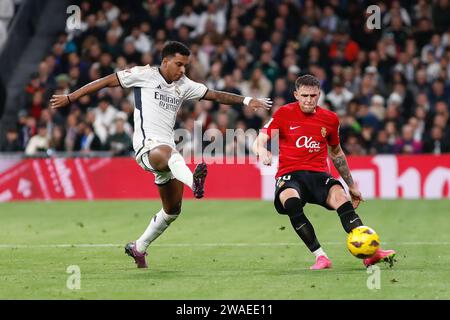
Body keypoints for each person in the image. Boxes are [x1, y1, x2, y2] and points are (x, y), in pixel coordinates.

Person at [50, 41, 271, 268]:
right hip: (147, 148)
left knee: (172, 210)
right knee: (171, 153)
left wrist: (246, 100)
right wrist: (71, 97)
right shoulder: (144, 75)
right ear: (165, 62)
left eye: (185, 65)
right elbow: (107, 81)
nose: (183, 70)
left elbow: (213, 95)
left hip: (166, 154)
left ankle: (139, 247)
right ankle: (193, 182)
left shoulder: (183, 84)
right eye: (178, 64)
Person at [252, 74, 395, 270]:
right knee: (290, 200)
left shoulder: (330, 119)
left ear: (319, 94)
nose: (309, 100)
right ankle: (320, 257)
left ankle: (371, 253)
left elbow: (336, 154)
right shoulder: (283, 114)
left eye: (313, 95)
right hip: (291, 174)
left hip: (319, 175)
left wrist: (351, 186)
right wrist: (262, 151)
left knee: (341, 198)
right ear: (296, 94)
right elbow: (258, 140)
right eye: (304, 95)